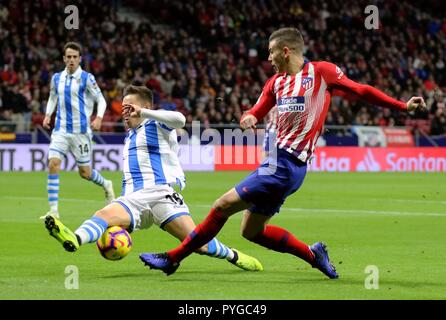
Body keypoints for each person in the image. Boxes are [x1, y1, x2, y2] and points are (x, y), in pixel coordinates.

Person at [139, 27, 427, 279]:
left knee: (222, 205)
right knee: (251, 232)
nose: (268, 59)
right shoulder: (275, 83)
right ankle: (314, 256)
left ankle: (172, 258)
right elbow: (256, 108)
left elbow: (361, 90)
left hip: (287, 165)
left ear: (285, 51)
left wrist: (403, 107)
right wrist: (249, 117)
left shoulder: (321, 72)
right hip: (277, 164)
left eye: (271, 53)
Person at [43, 85, 263, 272]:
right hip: (133, 199)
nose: (124, 113)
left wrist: (146, 113)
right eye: (123, 108)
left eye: (129, 108)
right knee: (103, 215)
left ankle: (233, 256)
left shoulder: (156, 124)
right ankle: (74, 238)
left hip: (161, 194)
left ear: (144, 107)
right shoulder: (130, 136)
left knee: (199, 245)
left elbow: (180, 119)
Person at [40, 42, 115, 219]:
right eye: (69, 57)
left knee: (85, 173)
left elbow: (101, 100)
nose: (72, 60)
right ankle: (53, 211)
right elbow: (52, 97)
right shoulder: (56, 78)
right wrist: (47, 114)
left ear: (80, 59)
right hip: (60, 131)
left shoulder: (87, 78)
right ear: (64, 58)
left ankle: (106, 184)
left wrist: (99, 118)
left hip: (81, 132)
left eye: (75, 57)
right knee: (53, 164)